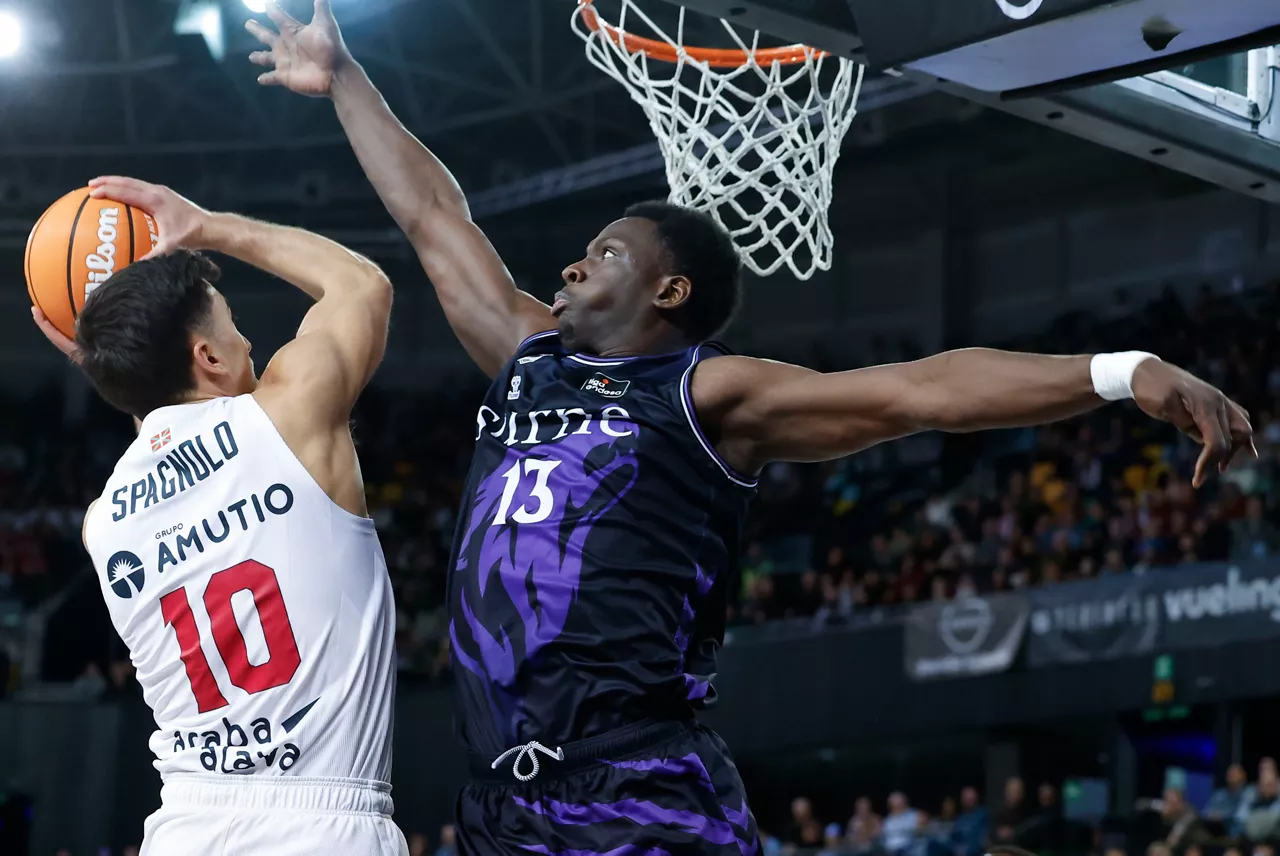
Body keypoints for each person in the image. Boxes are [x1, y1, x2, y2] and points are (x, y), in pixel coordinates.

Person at [248, 2, 1253, 853]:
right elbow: (434, 219)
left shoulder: (706, 393)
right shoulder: (525, 351)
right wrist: (343, 78)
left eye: (601, 253)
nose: (568, 266)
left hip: (635, 782)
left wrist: (1123, 373)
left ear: (666, 288)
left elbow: (919, 390)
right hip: (496, 799)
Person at [32, 177, 405, 855]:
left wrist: (119, 365)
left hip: (184, 826)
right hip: (320, 824)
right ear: (206, 356)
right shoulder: (292, 416)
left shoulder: (102, 523)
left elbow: (168, 444)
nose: (251, 349)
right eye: (235, 332)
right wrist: (205, 226)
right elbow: (361, 285)